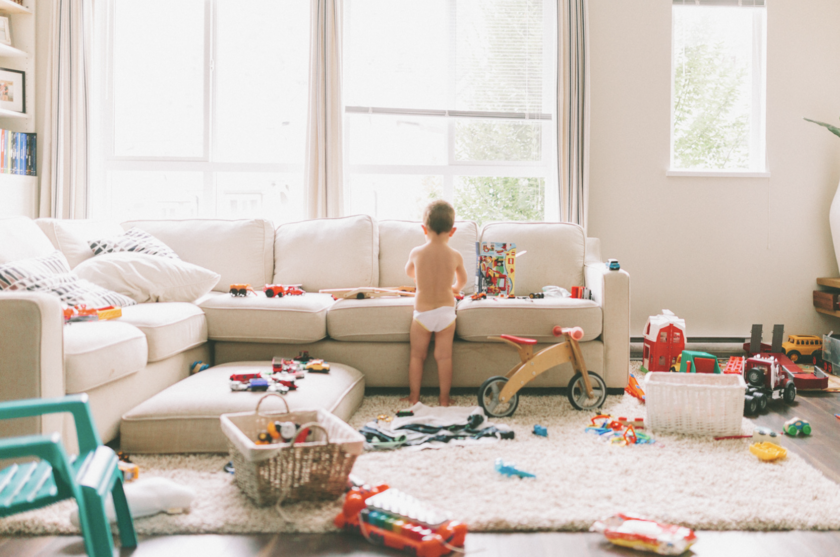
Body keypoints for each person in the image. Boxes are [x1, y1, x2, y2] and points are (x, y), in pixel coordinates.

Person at [404, 200, 468, 406]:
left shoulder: (417, 252)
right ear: (453, 231)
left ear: (424, 228)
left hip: (422, 314)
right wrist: (455, 289)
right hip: (446, 313)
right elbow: (463, 281)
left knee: (417, 356)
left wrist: (418, 279)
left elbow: (409, 272)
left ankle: (414, 397)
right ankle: (444, 398)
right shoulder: (455, 255)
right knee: (444, 357)